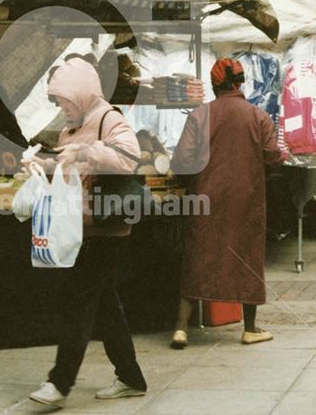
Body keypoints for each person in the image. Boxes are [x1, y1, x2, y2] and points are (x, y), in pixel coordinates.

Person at [24, 57, 147, 408]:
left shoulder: (109, 119)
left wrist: (87, 150)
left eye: (64, 101)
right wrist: (43, 164)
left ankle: (59, 383)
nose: (61, 108)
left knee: (78, 299)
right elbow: (70, 174)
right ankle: (131, 377)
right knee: (103, 302)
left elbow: (129, 157)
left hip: (108, 229)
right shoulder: (70, 129)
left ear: (81, 94)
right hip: (84, 229)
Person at [169, 58, 281, 347]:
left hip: (204, 199)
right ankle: (250, 328)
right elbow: (272, 156)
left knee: (197, 257)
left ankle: (181, 329)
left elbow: (182, 161)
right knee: (247, 258)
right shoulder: (258, 117)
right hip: (246, 200)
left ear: (213, 84)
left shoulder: (199, 116)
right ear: (241, 82)